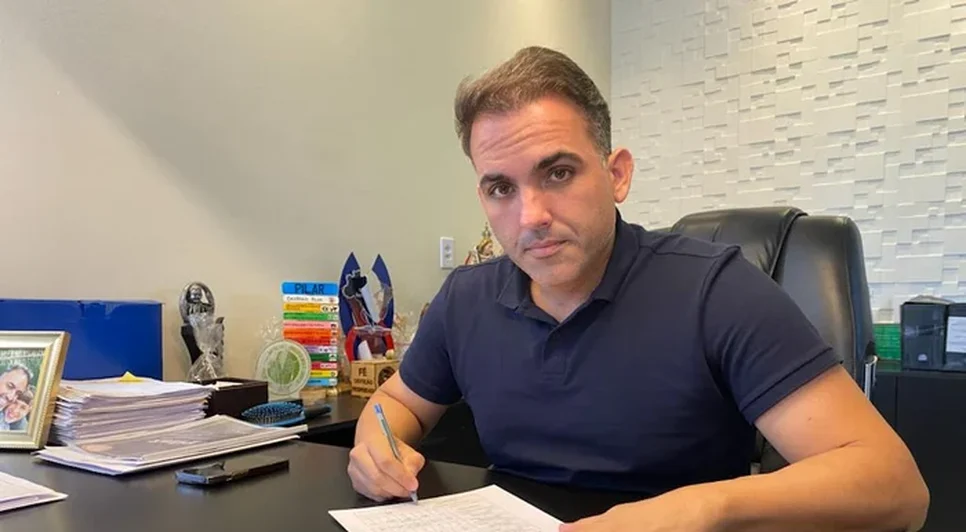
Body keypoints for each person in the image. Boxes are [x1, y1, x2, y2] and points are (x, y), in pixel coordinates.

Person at [347, 46, 929, 531]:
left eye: (558, 173)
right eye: (502, 188)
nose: (531, 216)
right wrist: (376, 445)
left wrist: (702, 507)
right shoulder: (465, 300)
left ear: (617, 174)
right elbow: (398, 403)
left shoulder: (717, 292)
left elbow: (897, 487)